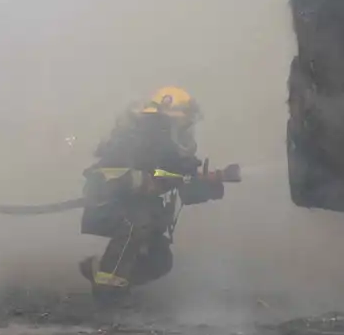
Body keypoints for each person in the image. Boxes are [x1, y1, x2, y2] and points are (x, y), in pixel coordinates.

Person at [77, 86, 236, 303]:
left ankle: (106, 273)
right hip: (108, 207)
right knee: (136, 223)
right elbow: (102, 177)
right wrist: (139, 180)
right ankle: (108, 292)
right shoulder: (130, 142)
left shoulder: (169, 150)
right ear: (165, 121)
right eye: (184, 123)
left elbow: (183, 186)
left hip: (141, 214)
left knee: (160, 260)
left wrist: (214, 181)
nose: (187, 129)